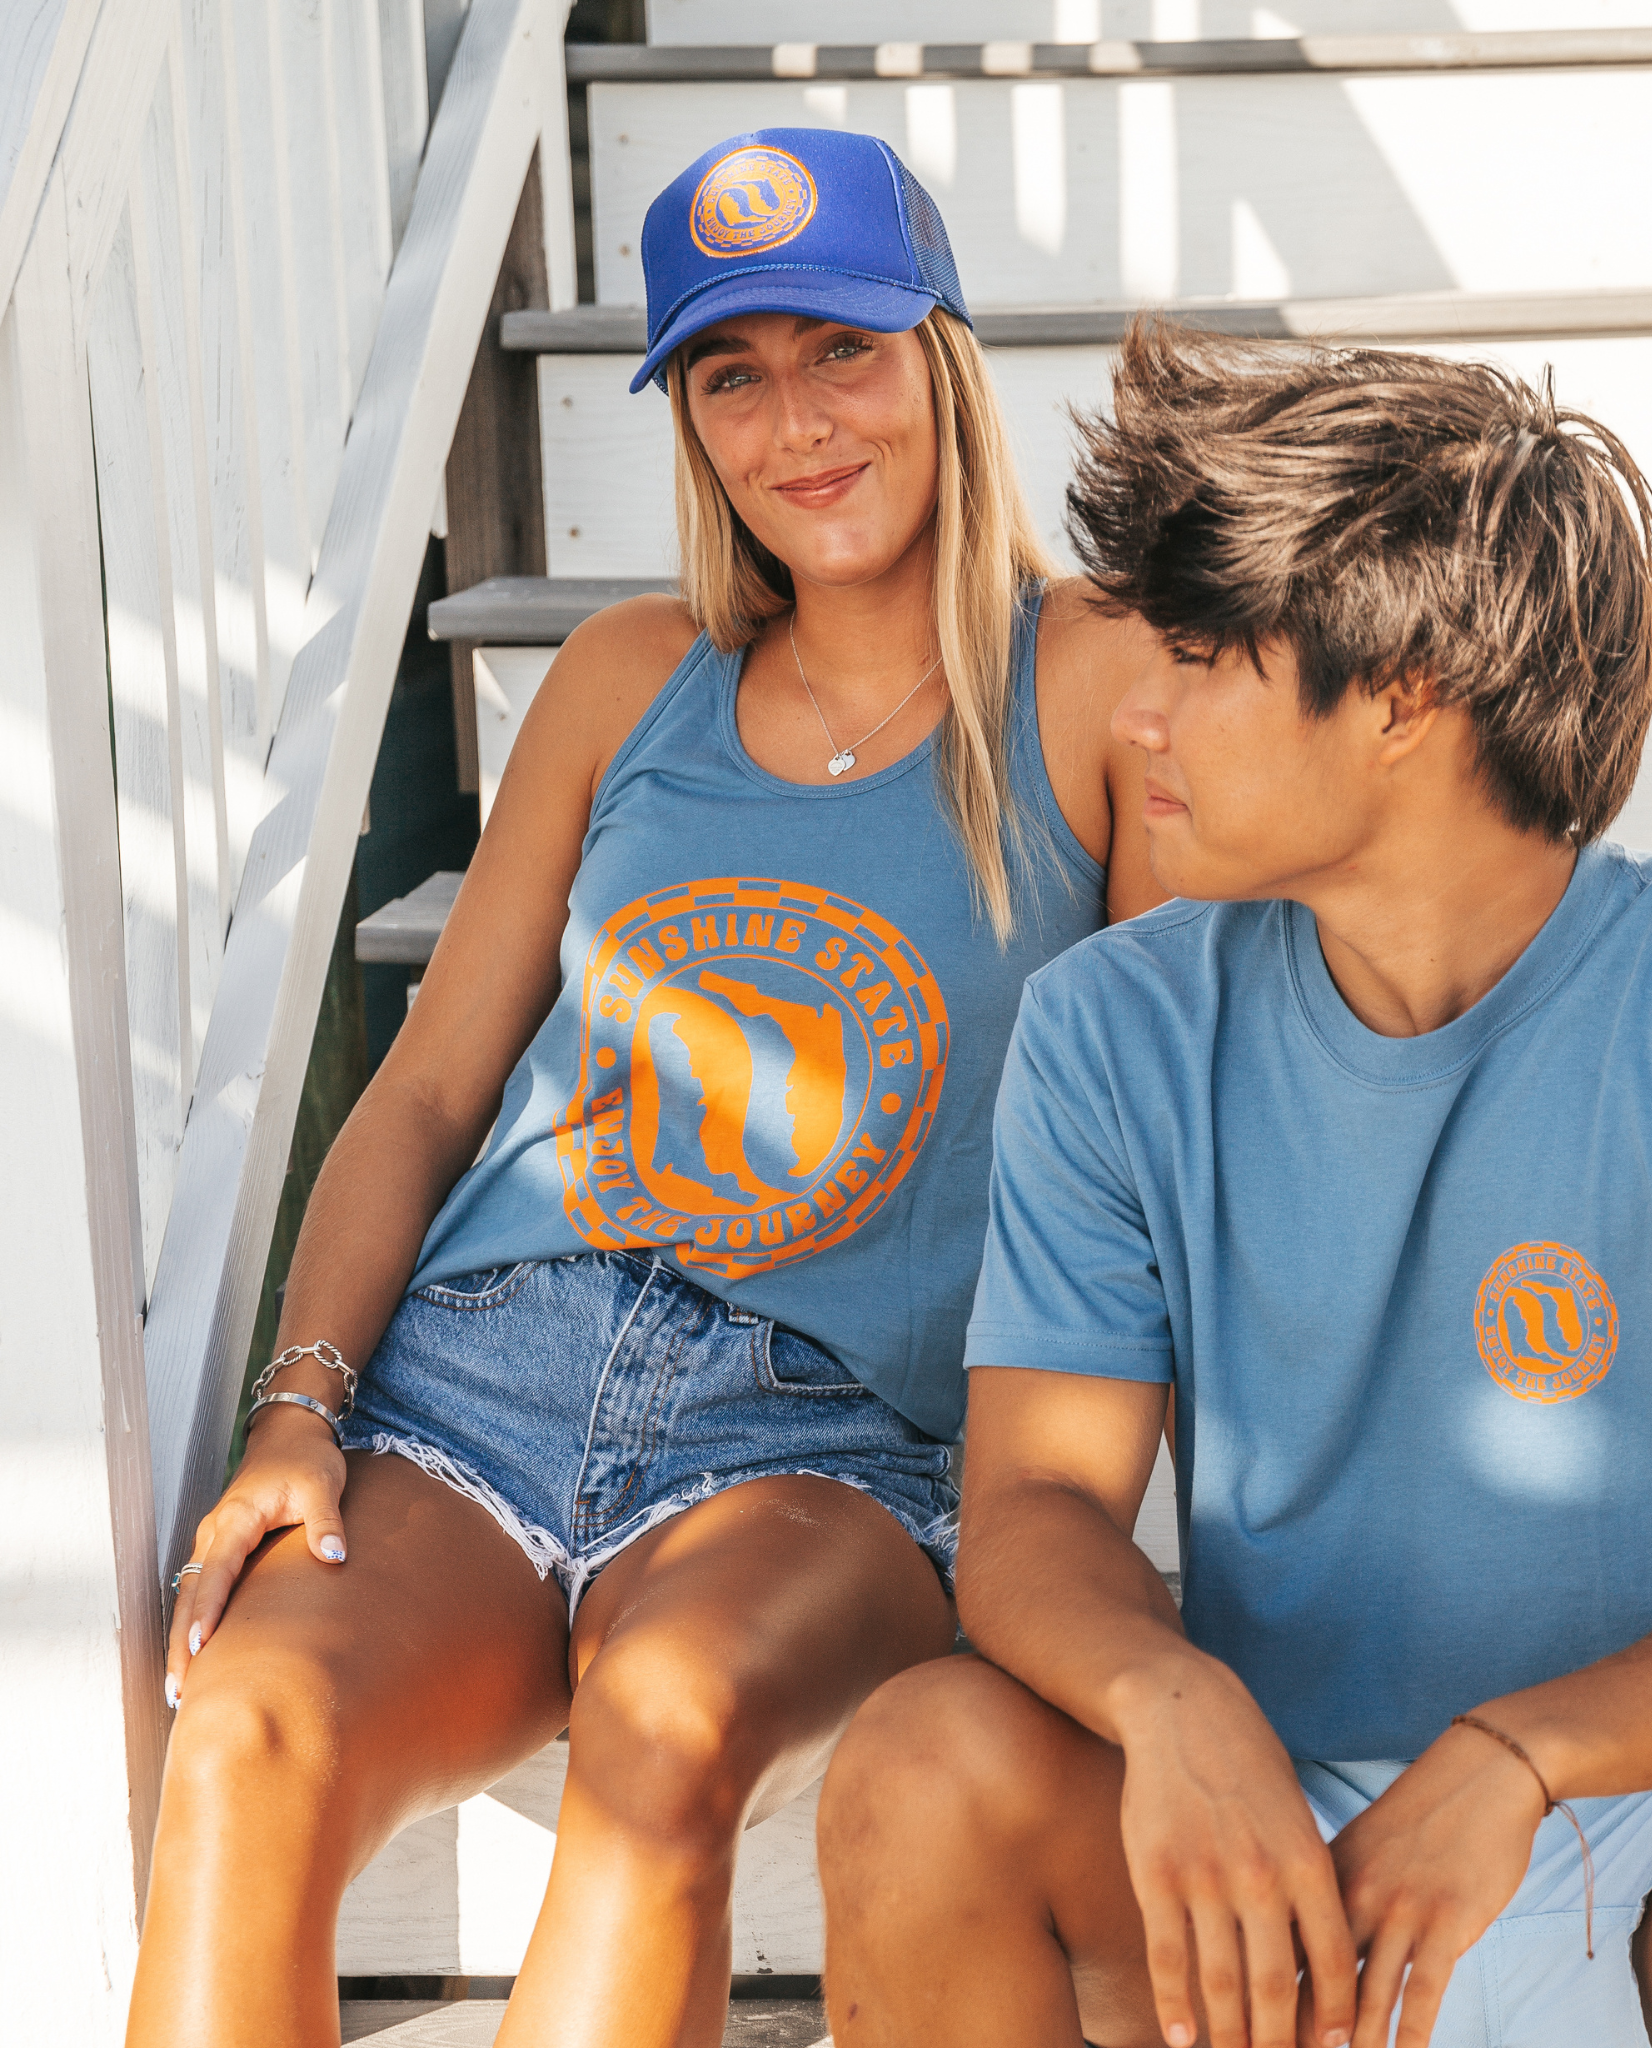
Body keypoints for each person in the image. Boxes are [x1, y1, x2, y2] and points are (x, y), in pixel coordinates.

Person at [816, 328, 1652, 2048]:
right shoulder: (1113, 1025)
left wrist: (1526, 1756)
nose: (1137, 715)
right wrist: (1167, 1700)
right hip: (1263, 1858)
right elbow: (1034, 1507)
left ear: (1402, 695)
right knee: (918, 1762)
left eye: (1198, 658)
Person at [130, 130, 1158, 2048]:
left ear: (940, 358)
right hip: (480, 1373)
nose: (799, 425)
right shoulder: (629, 678)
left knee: (664, 1725)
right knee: (246, 1725)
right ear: (690, 424)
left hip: (826, 1435)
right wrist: (297, 1407)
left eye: (843, 351)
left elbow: (1180, 1136)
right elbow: (428, 1090)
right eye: (732, 376)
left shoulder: (1093, 681)